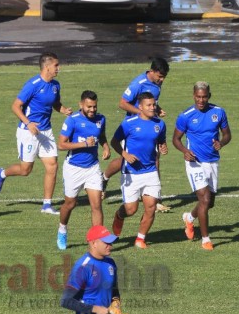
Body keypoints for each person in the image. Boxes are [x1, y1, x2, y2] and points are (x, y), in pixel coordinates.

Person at [0, 52, 72, 214]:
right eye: (56, 65)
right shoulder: (33, 84)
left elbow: (55, 103)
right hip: (28, 132)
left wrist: (63, 110)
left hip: (46, 131)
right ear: (47, 67)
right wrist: (28, 123)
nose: (59, 68)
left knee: (52, 165)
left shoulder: (56, 85)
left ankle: (47, 205)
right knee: (25, 170)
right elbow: (15, 106)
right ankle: (2, 173)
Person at [102, 57, 170, 212]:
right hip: (134, 127)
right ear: (151, 71)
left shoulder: (157, 84)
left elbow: (150, 101)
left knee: (154, 157)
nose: (162, 79)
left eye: (164, 77)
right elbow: (122, 103)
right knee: (126, 159)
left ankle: (155, 197)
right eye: (159, 76)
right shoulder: (138, 84)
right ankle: (104, 177)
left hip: (150, 125)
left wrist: (157, 109)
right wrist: (142, 112)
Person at [173, 81, 231, 251]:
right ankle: (206, 239)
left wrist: (221, 143)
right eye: (198, 97)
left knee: (210, 202)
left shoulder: (218, 112)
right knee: (204, 199)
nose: (201, 100)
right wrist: (184, 150)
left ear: (209, 96)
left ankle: (189, 218)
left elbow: (227, 135)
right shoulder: (186, 115)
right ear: (194, 96)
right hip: (194, 162)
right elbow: (176, 139)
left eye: (204, 97)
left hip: (212, 161)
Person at [111, 92, 168, 249]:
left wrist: (163, 147)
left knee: (150, 207)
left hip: (150, 172)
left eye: (154, 104)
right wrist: (125, 155)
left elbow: (161, 142)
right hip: (131, 172)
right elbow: (114, 141)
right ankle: (119, 215)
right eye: (149, 105)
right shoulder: (128, 123)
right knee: (131, 209)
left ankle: (140, 239)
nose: (152, 107)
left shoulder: (160, 124)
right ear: (140, 107)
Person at [56, 90, 111, 250]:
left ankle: (97, 241)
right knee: (70, 204)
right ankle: (62, 229)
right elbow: (61, 144)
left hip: (92, 168)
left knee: (96, 205)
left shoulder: (101, 119)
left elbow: (101, 136)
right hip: (73, 168)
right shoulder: (72, 121)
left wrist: (106, 146)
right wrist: (83, 144)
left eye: (94, 106)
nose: (92, 110)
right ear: (81, 105)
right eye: (89, 107)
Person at [61, 225, 121, 314]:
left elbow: (114, 289)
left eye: (111, 242)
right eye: (106, 242)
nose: (110, 246)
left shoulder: (110, 263)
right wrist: (96, 309)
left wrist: (116, 304)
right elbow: (66, 301)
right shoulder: (83, 267)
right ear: (94, 243)